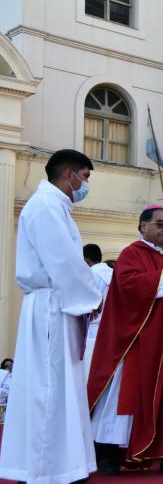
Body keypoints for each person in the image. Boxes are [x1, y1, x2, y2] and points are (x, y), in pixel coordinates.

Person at [0, 149, 104, 484]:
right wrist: (95, 297)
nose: (85, 185)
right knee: (48, 389)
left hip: (57, 304)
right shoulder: (46, 206)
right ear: (69, 174)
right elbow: (65, 264)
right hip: (51, 306)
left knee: (57, 388)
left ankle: (60, 464)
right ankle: (45, 470)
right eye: (85, 177)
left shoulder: (56, 207)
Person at [87, 205, 163, 475]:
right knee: (126, 396)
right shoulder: (132, 254)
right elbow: (128, 287)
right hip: (138, 341)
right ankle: (107, 453)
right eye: (160, 224)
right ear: (143, 226)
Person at [83, 243, 113, 340]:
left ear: (86, 260)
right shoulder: (113, 273)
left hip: (91, 328)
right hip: (110, 328)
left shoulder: (89, 275)